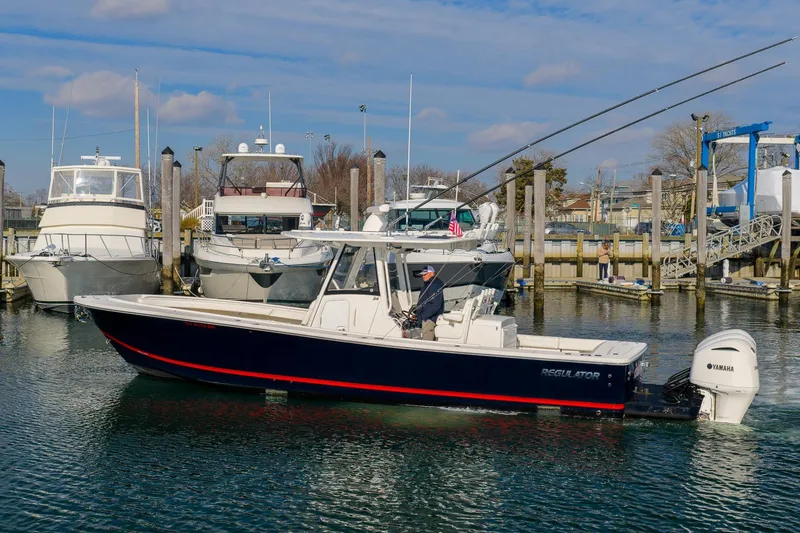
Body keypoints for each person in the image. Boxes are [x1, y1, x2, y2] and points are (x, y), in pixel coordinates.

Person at [415, 265, 444, 341]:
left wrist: (424, 316)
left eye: (425, 274)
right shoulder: (430, 284)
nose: (423, 276)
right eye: (422, 275)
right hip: (429, 318)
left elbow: (435, 304)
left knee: (427, 344)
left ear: (432, 273)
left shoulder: (433, 285)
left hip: (429, 320)